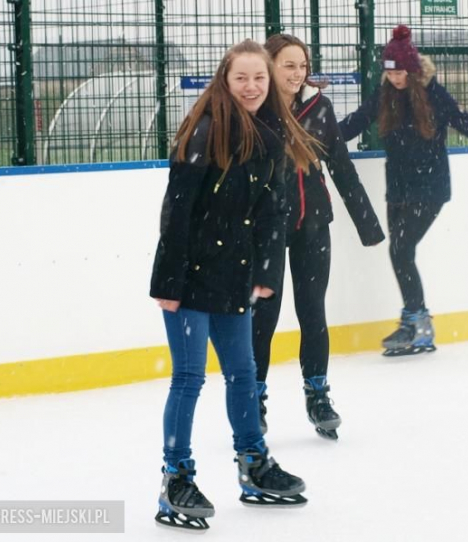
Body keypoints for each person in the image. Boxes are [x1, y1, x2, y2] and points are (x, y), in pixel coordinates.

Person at [150, 39, 322, 530]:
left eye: (259, 79)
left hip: (234, 278)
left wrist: (267, 273)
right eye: (241, 78)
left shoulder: (270, 138)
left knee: (244, 375)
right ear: (225, 82)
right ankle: (175, 478)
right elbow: (177, 212)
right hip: (188, 278)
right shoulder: (204, 133)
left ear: (270, 85)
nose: (251, 87)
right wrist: (169, 281)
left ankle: (254, 465)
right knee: (188, 379)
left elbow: (273, 212)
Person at [339, 25, 468, 357]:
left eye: (401, 72)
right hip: (399, 188)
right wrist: (311, 141)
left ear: (413, 69)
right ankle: (415, 322)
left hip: (430, 187)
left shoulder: (434, 94)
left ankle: (418, 325)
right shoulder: (384, 96)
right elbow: (352, 124)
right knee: (401, 252)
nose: (395, 79)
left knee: (400, 250)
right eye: (390, 73)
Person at [252, 34, 385, 440]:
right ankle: (252, 401)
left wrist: (368, 226)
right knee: (263, 318)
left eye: (302, 66)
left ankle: (318, 393)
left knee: (313, 312)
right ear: (270, 65)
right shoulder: (254, 108)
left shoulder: (319, 108)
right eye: (288, 65)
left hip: (313, 227)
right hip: (266, 231)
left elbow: (342, 169)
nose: (296, 74)